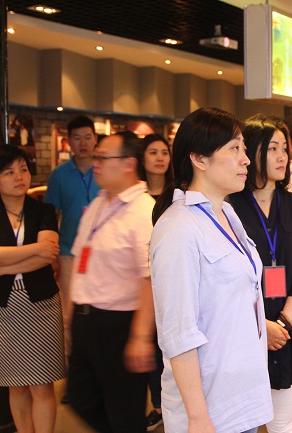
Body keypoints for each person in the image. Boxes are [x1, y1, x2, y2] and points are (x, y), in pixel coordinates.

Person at [150, 107, 273, 433]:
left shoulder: (227, 213)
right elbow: (178, 332)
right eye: (234, 149)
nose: (245, 160)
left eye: (244, 149)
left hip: (240, 393)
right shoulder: (178, 228)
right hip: (208, 406)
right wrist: (197, 416)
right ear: (199, 159)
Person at [228, 114, 292, 433]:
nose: (282, 157)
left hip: (287, 328)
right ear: (251, 153)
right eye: (272, 148)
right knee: (243, 424)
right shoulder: (229, 207)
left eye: (285, 149)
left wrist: (283, 322)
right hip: (242, 330)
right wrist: (262, 327)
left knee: (282, 423)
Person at [0, 146, 65, 433]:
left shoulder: (43, 210)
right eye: (9, 172)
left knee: (42, 384)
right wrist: (35, 249)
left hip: (42, 305)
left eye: (23, 169)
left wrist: (1, 269)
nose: (18, 177)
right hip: (3, 309)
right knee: (16, 384)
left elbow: (47, 258)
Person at [67, 131, 156, 432]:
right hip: (85, 319)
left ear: (129, 164)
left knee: (124, 413)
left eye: (103, 157)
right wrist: (69, 319)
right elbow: (80, 264)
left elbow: (149, 279)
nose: (95, 163)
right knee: (80, 399)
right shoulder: (98, 203)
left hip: (119, 324)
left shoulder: (143, 211)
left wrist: (140, 337)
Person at [45, 115, 100, 370]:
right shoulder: (59, 175)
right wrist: (53, 255)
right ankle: (74, 364)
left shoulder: (103, 169)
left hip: (101, 253)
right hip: (69, 252)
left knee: (99, 307)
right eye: (77, 138)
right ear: (69, 141)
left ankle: (97, 362)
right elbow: (51, 216)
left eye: (88, 137)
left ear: (95, 139)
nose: (83, 143)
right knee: (69, 311)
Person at [139, 133, 174, 431]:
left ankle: (167, 404)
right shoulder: (137, 198)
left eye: (164, 152)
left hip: (170, 276)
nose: (160, 157)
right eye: (153, 152)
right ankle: (158, 405)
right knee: (150, 343)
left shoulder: (177, 194)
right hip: (143, 280)